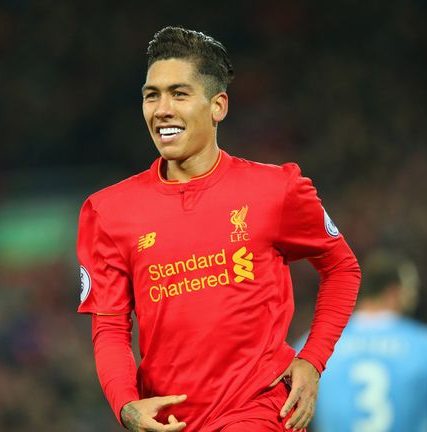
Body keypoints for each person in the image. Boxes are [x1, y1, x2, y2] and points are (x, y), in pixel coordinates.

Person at [76, 26, 361, 432]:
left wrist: (312, 360)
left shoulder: (276, 189)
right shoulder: (108, 211)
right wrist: (126, 405)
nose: (162, 109)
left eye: (179, 93)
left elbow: (342, 269)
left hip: (256, 409)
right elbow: (109, 326)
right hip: (168, 421)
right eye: (151, 95)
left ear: (218, 106)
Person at [296, 250, 427, 432]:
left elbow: (279, 398)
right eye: (411, 290)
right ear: (394, 292)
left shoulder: (317, 342)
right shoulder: (424, 343)